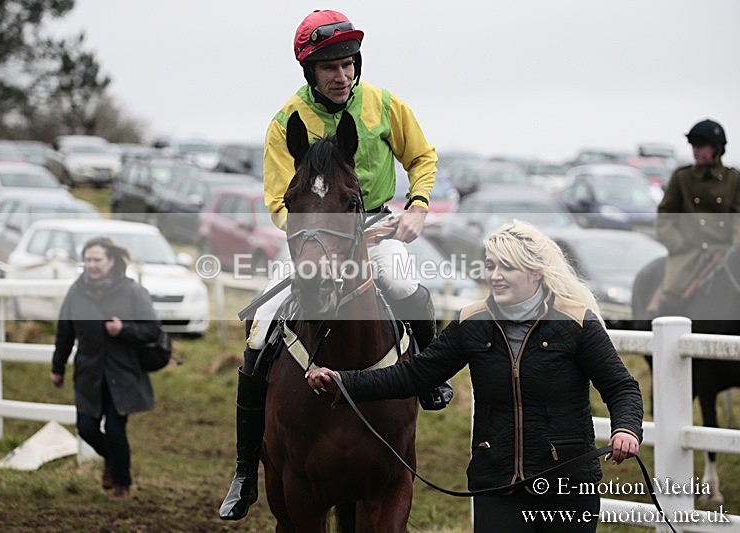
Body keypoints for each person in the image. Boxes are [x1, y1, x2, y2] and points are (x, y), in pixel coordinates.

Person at [220, 9, 446, 521]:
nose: (341, 75)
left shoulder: (385, 105)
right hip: (310, 235)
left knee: (407, 285)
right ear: (310, 73)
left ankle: (429, 379)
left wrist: (418, 207)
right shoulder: (286, 122)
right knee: (259, 330)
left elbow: (422, 158)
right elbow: (280, 200)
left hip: (376, 228)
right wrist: (310, 240)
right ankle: (243, 470)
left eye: (347, 64)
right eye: (330, 68)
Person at [306, 220, 644, 532]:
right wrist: (344, 381)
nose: (494, 275)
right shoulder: (472, 322)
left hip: (566, 483)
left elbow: (621, 387)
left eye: (507, 267)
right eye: (491, 265)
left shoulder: (576, 322)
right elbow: (414, 376)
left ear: (536, 273)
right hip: (496, 482)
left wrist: (626, 428)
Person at [50, 237, 161, 499]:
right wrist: (57, 367)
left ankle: (122, 484)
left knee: (114, 428)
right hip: (88, 373)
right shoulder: (76, 292)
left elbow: (152, 330)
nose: (91, 265)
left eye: (97, 260)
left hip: (121, 374)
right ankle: (114, 462)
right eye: (87, 260)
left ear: (111, 261)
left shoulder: (132, 291)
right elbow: (64, 332)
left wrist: (124, 329)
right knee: (86, 428)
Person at [655, 118, 740, 316]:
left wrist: (735, 248)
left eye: (701, 146)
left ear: (717, 149)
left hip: (725, 250)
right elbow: (666, 216)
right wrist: (679, 244)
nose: (696, 151)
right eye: (694, 146)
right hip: (691, 251)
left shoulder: (733, 179)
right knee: (671, 291)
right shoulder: (681, 178)